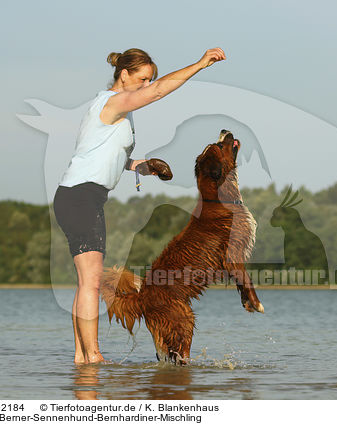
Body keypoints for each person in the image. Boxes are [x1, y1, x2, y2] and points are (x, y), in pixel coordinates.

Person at [53, 47, 226, 364]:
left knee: (86, 281)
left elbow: (102, 155)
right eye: (143, 79)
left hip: (80, 195)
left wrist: (141, 166)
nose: (148, 85)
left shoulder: (113, 110)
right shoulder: (113, 102)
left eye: (150, 80)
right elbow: (160, 93)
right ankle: (92, 355)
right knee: (91, 281)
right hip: (81, 196)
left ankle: (82, 357)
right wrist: (201, 64)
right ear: (124, 75)